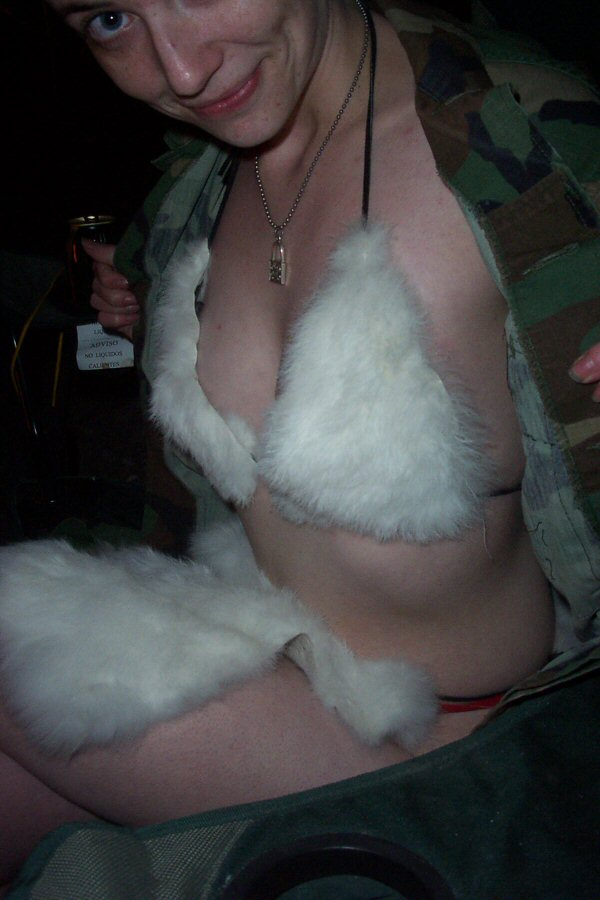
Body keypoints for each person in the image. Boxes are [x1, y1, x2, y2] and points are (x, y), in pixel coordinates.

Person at [1, 0, 599, 889]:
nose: (184, 70)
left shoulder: (534, 145)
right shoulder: (198, 179)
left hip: (447, 736)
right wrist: (145, 305)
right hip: (255, 644)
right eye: (112, 19)